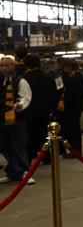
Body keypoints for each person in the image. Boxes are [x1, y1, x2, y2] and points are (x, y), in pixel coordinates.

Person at [0, 56, 33, 184]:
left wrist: (19, 105)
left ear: (13, 66)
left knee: (18, 145)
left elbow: (25, 97)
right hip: (2, 119)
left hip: (17, 119)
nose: (4, 68)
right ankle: (13, 172)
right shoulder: (0, 80)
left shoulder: (20, 80)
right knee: (5, 146)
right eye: (2, 65)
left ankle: (24, 172)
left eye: (7, 65)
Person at [22, 54, 58, 162]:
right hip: (45, 111)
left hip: (30, 111)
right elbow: (54, 95)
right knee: (43, 134)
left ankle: (29, 157)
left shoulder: (24, 78)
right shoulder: (48, 77)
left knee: (30, 135)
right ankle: (46, 157)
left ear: (26, 65)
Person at [61, 59, 83, 156]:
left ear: (70, 67)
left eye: (65, 67)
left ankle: (74, 150)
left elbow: (69, 95)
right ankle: (77, 149)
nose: (65, 70)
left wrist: (64, 104)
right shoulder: (80, 77)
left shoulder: (72, 79)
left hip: (71, 108)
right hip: (78, 107)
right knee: (76, 129)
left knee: (71, 130)